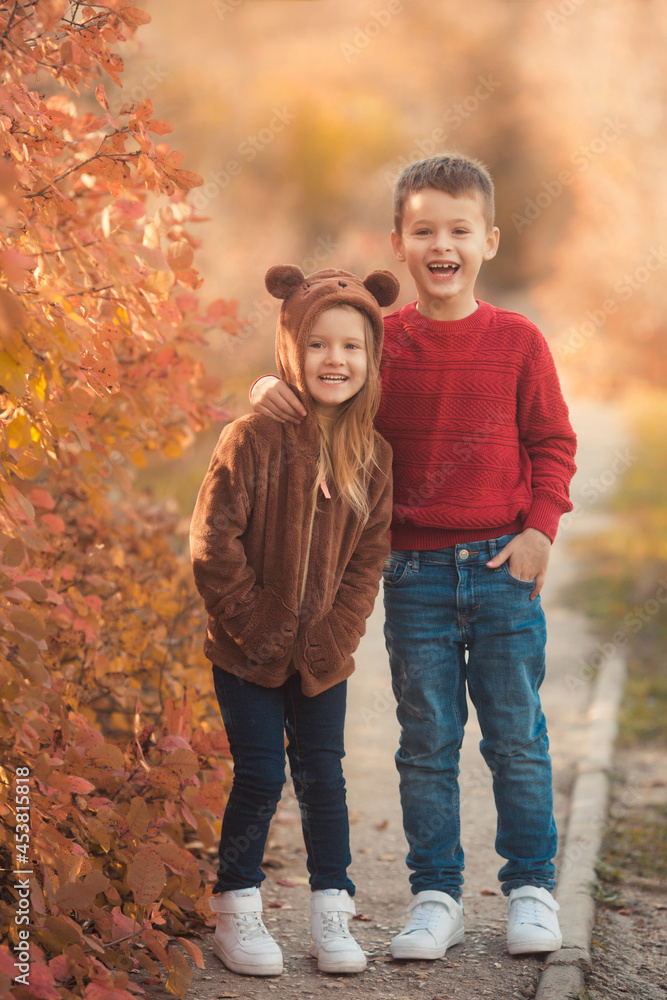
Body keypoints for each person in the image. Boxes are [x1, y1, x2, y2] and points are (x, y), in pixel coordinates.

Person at [248, 153, 578, 960]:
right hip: (412, 575)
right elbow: (322, 401)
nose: (442, 244)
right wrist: (267, 393)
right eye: (423, 229)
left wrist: (539, 530)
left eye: (458, 230)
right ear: (397, 242)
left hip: (504, 567)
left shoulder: (517, 341)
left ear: (488, 241)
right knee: (426, 740)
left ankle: (531, 889)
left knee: (515, 737)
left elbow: (552, 442)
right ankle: (437, 895)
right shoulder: (379, 344)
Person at [190, 263, 398, 977]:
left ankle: (332, 911)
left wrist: (336, 633)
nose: (334, 360)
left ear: (370, 359)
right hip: (245, 650)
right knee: (258, 774)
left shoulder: (372, 456)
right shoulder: (251, 438)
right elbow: (212, 545)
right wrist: (257, 624)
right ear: (290, 350)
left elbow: (368, 560)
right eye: (317, 345)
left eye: (351, 347)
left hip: (322, 656)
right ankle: (236, 909)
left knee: (324, 777)